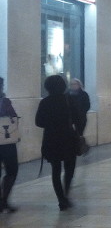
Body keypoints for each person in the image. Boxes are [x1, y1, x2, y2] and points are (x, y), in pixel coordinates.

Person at [36, 75, 81, 211]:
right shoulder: (69, 100)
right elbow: (78, 118)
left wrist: (51, 123)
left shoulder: (45, 102)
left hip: (51, 139)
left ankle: (61, 199)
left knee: (55, 170)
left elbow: (38, 122)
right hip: (68, 138)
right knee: (69, 168)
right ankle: (66, 194)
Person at [0, 77, 19, 213]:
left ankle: (3, 201)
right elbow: (13, 118)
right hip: (6, 141)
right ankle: (4, 201)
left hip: (6, 141)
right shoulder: (5, 102)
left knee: (11, 170)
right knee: (12, 170)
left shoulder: (5, 101)